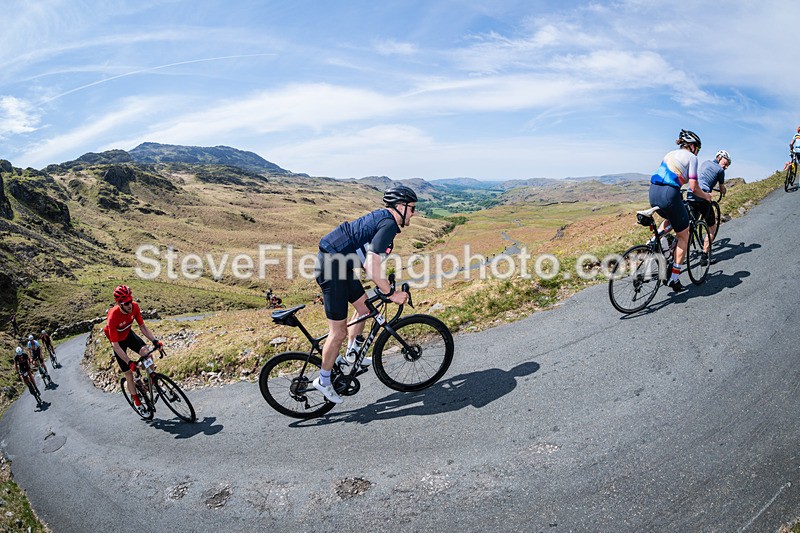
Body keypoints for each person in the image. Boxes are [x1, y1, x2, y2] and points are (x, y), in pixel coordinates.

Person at [312, 185, 415, 403]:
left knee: (365, 308)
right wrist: (391, 293)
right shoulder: (387, 223)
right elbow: (370, 265)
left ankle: (352, 352)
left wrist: (385, 284)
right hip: (332, 269)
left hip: (339, 266)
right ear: (400, 206)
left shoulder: (384, 219)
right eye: (412, 209)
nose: (414, 213)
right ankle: (323, 380)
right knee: (337, 332)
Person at [649, 129, 709, 293]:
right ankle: (674, 279)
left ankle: (654, 241)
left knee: (670, 218)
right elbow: (693, 187)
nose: (697, 151)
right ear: (691, 146)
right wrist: (706, 196)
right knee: (684, 235)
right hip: (669, 193)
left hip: (653, 192)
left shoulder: (670, 154)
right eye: (697, 148)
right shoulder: (692, 158)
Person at [103, 285, 162, 415]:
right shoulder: (113, 317)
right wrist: (129, 361)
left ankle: (150, 380)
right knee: (129, 374)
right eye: (126, 303)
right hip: (118, 342)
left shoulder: (135, 306)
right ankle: (137, 401)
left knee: (146, 353)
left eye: (130, 301)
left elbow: (143, 327)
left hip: (128, 334)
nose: (130, 305)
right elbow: (115, 345)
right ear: (119, 304)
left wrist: (155, 341)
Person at [687, 150, 730, 260]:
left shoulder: (705, 162)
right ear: (719, 157)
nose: (726, 167)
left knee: (690, 225)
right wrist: (724, 191)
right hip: (703, 197)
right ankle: (704, 256)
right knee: (712, 227)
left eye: (727, 166)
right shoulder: (720, 170)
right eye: (725, 163)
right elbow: (721, 187)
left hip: (691, 194)